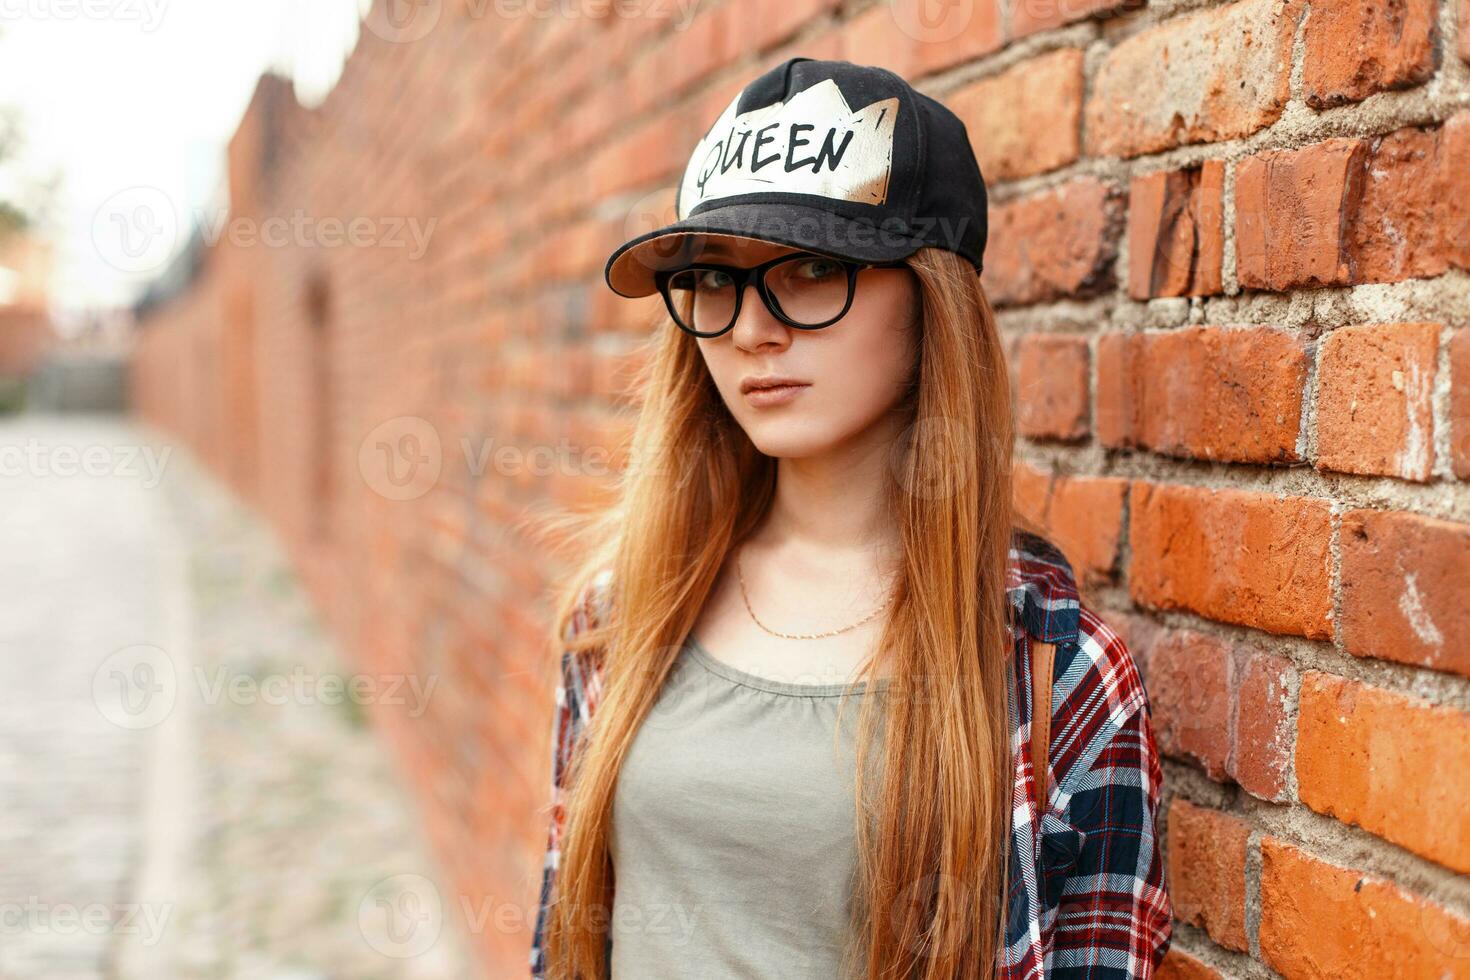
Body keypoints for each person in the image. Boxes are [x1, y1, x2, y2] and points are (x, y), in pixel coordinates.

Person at [527, 56, 1171, 980]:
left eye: (815, 268)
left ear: (931, 299)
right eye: (715, 278)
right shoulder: (622, 614)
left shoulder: (1056, 675)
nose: (752, 328)